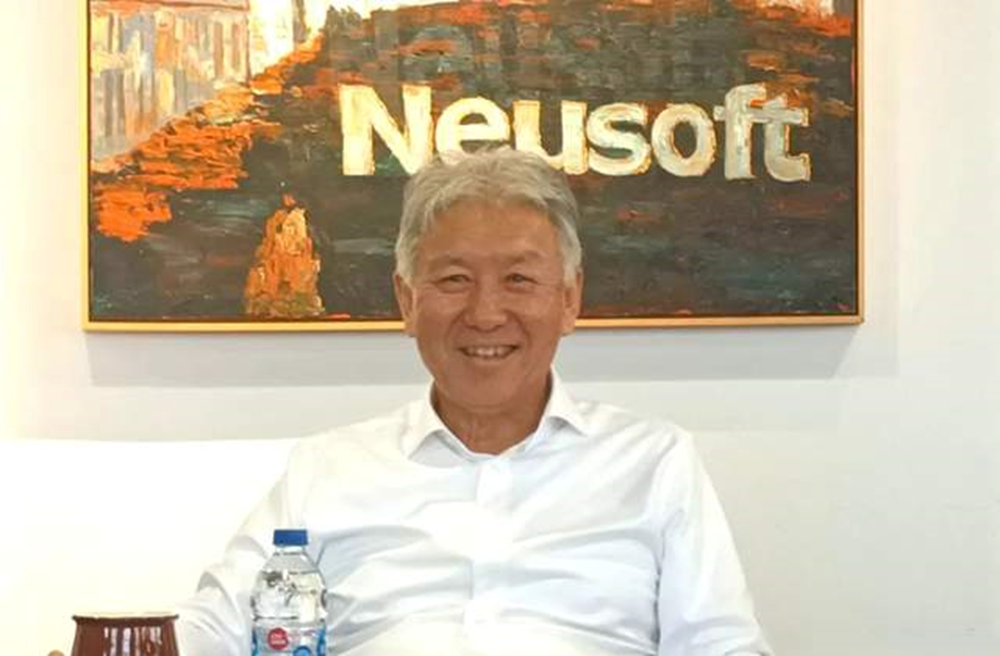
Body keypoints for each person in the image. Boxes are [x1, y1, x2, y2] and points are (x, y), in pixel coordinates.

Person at [176, 147, 773, 656]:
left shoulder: (652, 462)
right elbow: (210, 631)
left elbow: (722, 645)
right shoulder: (326, 469)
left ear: (569, 300)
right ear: (407, 302)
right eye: (454, 280)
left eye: (519, 280)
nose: (486, 314)